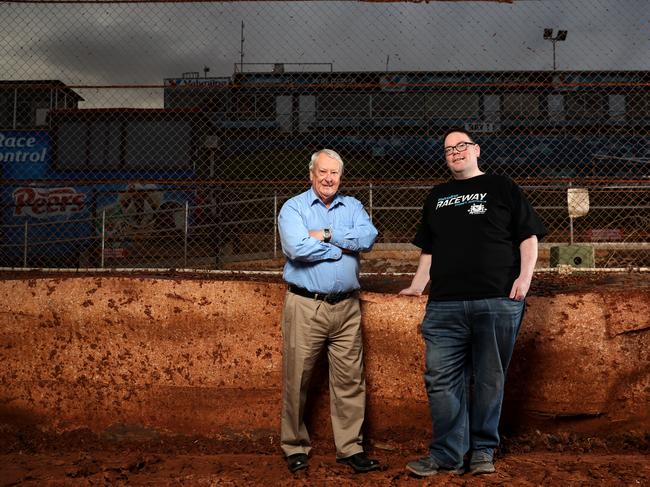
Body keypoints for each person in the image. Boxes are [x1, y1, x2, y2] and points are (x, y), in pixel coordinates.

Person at [400, 128, 547, 477]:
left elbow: (528, 236)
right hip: (445, 305)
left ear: (476, 150)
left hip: (496, 300)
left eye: (461, 145)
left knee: (488, 379)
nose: (455, 152)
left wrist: (525, 279)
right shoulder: (437, 196)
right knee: (440, 379)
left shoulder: (501, 186)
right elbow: (430, 249)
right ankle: (448, 454)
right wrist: (417, 286)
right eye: (448, 149)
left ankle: (482, 450)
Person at [278, 149, 380, 474]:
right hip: (307, 304)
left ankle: (350, 448)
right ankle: (294, 446)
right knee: (298, 379)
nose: (328, 178)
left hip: (347, 307)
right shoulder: (293, 207)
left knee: (351, 380)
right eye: (322, 172)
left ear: (341, 177)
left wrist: (328, 234)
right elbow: (296, 247)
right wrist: (339, 250)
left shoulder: (352, 206)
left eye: (334, 173)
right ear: (311, 174)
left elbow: (368, 237)